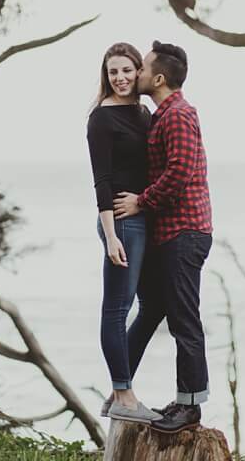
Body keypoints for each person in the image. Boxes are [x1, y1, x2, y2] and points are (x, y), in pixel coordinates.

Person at [114, 41, 214, 434]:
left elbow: (180, 172)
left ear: (157, 78)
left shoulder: (179, 116)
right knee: (157, 308)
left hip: (185, 232)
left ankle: (191, 407)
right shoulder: (162, 115)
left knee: (185, 321)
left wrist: (141, 201)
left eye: (141, 69)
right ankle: (136, 392)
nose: (134, 74)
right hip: (172, 233)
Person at [86, 42, 162, 423]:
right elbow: (101, 180)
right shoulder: (101, 118)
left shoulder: (144, 112)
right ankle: (125, 396)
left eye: (127, 70)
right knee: (117, 308)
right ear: (106, 75)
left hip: (144, 219)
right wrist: (111, 235)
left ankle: (118, 387)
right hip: (120, 223)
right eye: (113, 72)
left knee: (155, 305)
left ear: (138, 72)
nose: (120, 78)